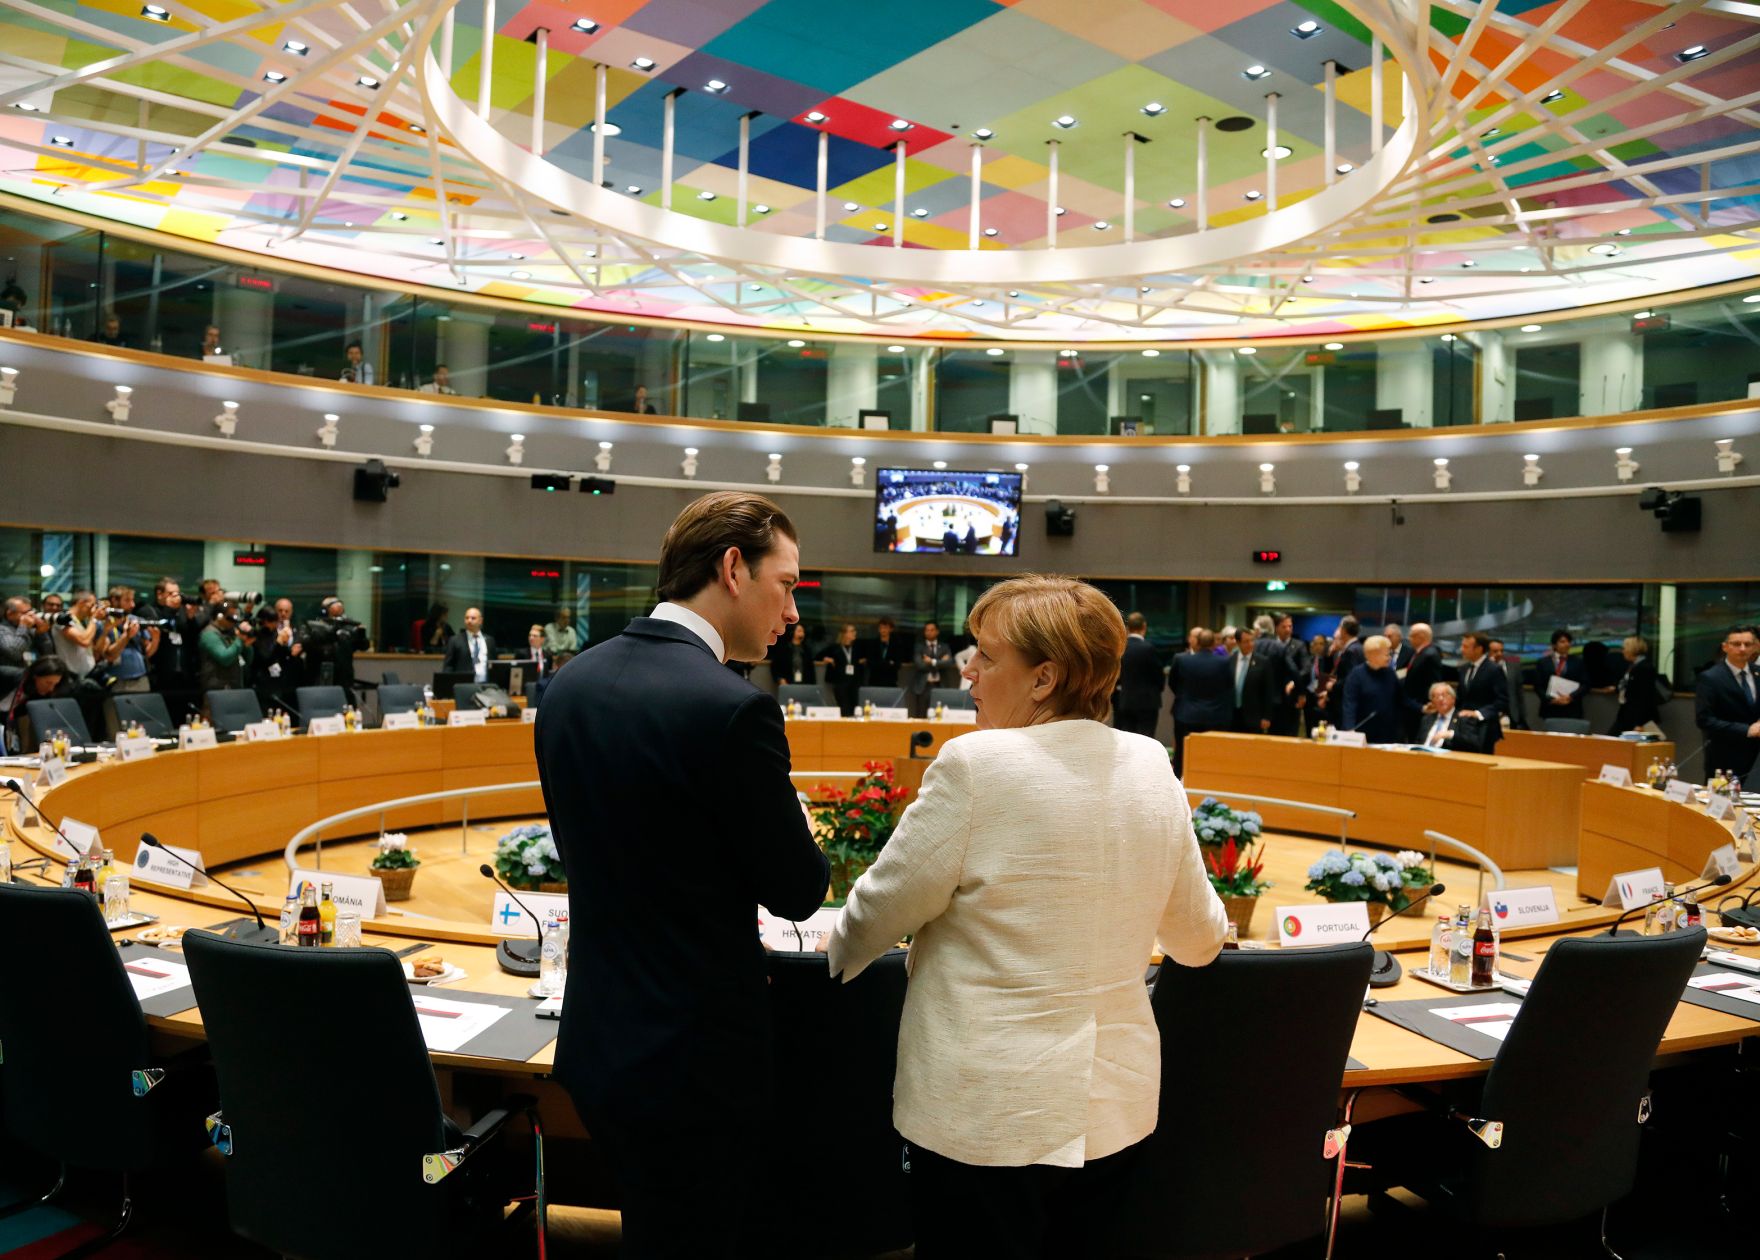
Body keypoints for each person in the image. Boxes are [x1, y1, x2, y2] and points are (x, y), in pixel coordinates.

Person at [826, 575, 1227, 1258]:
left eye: (986, 656)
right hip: (1114, 1111)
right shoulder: (1151, 762)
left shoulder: (977, 764)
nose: (969, 671)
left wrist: (836, 955)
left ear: (1044, 678)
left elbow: (874, 916)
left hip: (985, 1116)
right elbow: (1199, 939)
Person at [534, 491, 828, 1255]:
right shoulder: (733, 710)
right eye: (788, 583)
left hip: (600, 1043)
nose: (793, 611)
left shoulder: (571, 684)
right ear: (734, 568)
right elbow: (798, 891)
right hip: (696, 1067)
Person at [1694, 624, 1759, 779]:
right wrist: (1747, 730)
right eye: (1736, 644)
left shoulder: (1758, 673)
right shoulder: (1710, 678)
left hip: (1756, 760)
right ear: (1725, 647)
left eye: (1747, 644)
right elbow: (1704, 720)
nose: (1742, 649)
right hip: (1725, 758)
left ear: (1754, 647)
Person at [1167, 627, 1234, 776]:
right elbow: (1229, 686)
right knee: (1213, 755)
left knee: (1181, 755)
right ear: (1214, 644)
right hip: (1215, 716)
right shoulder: (1224, 662)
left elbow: (1173, 683)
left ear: (1197, 642)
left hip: (1185, 715)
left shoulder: (1181, 659)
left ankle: (1179, 783)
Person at [1341, 634, 1405, 744]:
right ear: (1374, 655)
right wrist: (1350, 729)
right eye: (1387, 654)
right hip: (1363, 734)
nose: (1390, 657)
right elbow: (1349, 704)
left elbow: (1402, 698)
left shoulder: (1390, 673)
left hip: (1389, 734)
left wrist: (1422, 708)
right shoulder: (1356, 675)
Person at [3, 656, 72, 752]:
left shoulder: (38, 696)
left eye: (55, 684)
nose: (51, 688)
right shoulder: (9, 675)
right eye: (48, 683)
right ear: (35, 676)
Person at [1455, 631, 1508, 752]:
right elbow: (1461, 698)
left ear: (1479, 649)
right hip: (1463, 727)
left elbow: (1502, 700)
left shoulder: (1494, 669)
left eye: (1465, 646)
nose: (1461, 649)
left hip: (1485, 728)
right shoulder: (1464, 668)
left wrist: (1478, 713)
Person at [1114, 611, 1164, 739]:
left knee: (1126, 739)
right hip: (1148, 702)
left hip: (1124, 700)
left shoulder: (1119, 648)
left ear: (1127, 628)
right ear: (1144, 627)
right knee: (1146, 739)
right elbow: (1159, 676)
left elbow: (1114, 674)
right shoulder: (1149, 648)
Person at [250, 605, 301, 715]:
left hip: (279, 681)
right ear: (265, 621)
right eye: (273, 621)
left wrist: (291, 652)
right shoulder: (257, 635)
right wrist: (278, 643)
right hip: (262, 681)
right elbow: (265, 657)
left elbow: (283, 656)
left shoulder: (275, 633)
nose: (276, 624)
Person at [197, 601, 252, 696]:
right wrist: (239, 640)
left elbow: (248, 660)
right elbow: (224, 658)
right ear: (219, 617)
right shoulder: (209, 634)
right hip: (216, 690)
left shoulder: (231, 633)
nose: (233, 621)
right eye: (230, 617)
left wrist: (247, 645)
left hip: (233, 687)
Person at [1230, 624, 1278, 736]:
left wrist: (1266, 717)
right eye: (1246, 641)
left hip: (1253, 717)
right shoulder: (1230, 660)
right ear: (1238, 643)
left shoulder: (1263, 662)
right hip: (1232, 716)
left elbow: (1268, 691)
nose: (1250, 644)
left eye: (1252, 640)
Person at [1531, 629, 1586, 723]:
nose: (1567, 644)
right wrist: (1552, 700)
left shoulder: (1578, 662)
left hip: (1572, 708)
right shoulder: (1543, 662)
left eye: (1568, 641)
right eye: (1562, 642)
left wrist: (1570, 697)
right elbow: (1537, 686)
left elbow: (1585, 684)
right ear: (1554, 645)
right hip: (1550, 708)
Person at [1610, 635, 1662, 734]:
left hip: (1637, 717)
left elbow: (1645, 697)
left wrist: (1639, 723)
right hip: (1627, 713)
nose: (1623, 651)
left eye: (1624, 648)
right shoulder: (1633, 666)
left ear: (1632, 650)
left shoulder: (1644, 668)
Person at [1402, 623, 1444, 741]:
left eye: (1411, 636)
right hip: (1413, 706)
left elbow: (1434, 682)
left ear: (1421, 637)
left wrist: (1428, 705)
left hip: (1422, 708)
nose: (1409, 639)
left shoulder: (1430, 654)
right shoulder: (1419, 653)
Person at [909, 620, 955, 718]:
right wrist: (940, 662)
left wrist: (932, 661)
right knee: (921, 715)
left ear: (937, 631)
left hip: (940, 684)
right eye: (927, 630)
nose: (929, 632)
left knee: (940, 715)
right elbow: (920, 665)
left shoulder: (944, 647)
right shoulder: (919, 647)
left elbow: (949, 663)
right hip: (924, 686)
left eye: (932, 630)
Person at [0, 596, 43, 697]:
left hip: (25, 682)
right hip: (6, 686)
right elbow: (15, 653)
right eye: (24, 613)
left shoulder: (24, 628)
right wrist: (24, 627)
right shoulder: (2, 630)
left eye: (30, 612)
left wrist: (41, 629)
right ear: (9, 613)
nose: (29, 616)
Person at [818, 622, 862, 716]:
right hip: (840, 683)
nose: (855, 633)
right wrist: (827, 659)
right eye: (852, 631)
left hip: (854, 683)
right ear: (845, 634)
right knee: (844, 709)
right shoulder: (835, 648)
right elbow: (818, 657)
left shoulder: (857, 648)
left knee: (854, 709)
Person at [1415, 682, 1476, 750]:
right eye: (1437, 696)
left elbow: (1473, 743)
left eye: (1444, 695)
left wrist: (1450, 734)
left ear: (1453, 698)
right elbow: (1418, 742)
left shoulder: (1463, 718)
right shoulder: (1426, 719)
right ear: (1432, 701)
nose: (1440, 699)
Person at [442, 607, 495, 681]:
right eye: (467, 618)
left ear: (480, 621)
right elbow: (448, 666)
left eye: (473, 618)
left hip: (486, 685)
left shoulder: (490, 641)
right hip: (464, 685)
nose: (469, 621)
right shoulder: (455, 640)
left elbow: (494, 664)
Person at [1488, 637, 1529, 731]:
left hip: (1512, 712)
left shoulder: (1514, 665)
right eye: (1495, 651)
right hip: (1491, 712)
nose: (1499, 654)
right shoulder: (1484, 667)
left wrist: (1522, 714)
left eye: (1501, 650)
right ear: (1487, 652)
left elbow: (1519, 691)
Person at [863, 616, 909, 690]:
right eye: (881, 628)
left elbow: (898, 664)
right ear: (878, 629)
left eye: (886, 628)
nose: (883, 630)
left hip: (891, 681)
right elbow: (870, 663)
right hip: (875, 680)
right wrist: (888, 663)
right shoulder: (873, 644)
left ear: (891, 629)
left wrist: (882, 663)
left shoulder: (897, 644)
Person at [768, 622, 813, 688]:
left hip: (804, 684)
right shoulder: (784, 649)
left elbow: (811, 669)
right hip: (788, 683)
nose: (802, 633)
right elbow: (775, 666)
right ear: (793, 632)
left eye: (803, 631)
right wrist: (780, 679)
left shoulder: (806, 650)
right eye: (799, 631)